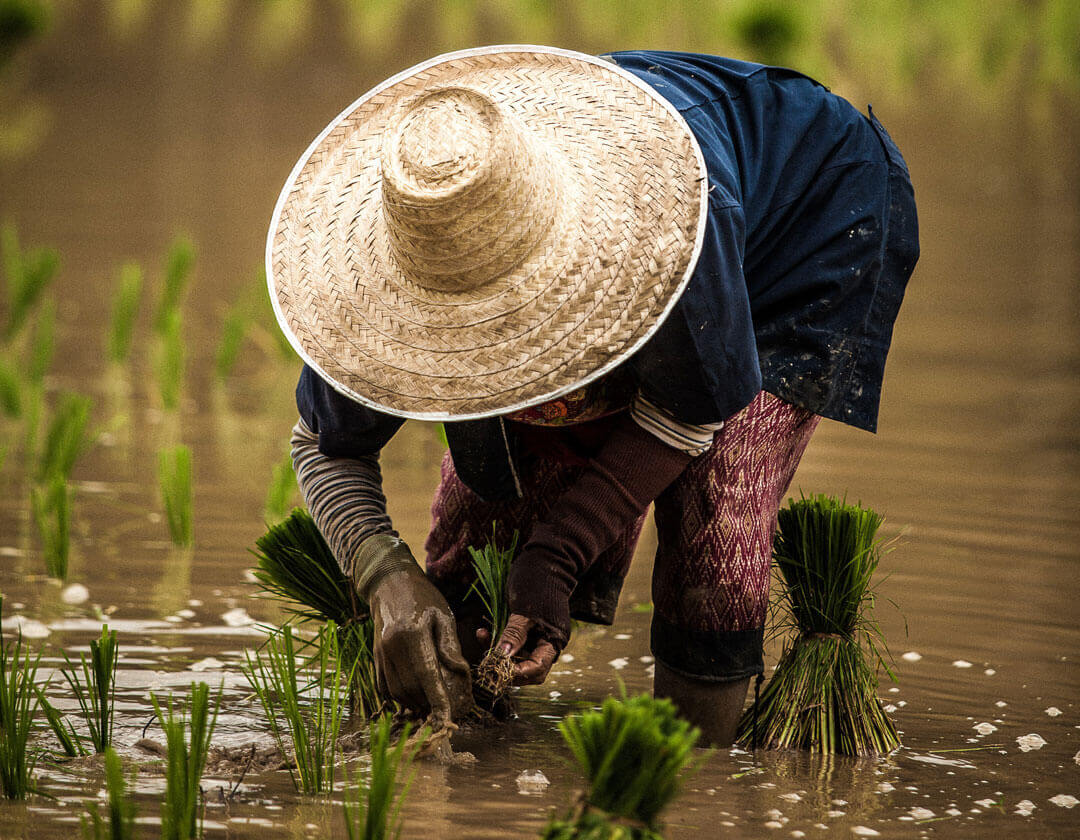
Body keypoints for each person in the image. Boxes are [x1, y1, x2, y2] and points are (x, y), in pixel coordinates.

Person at [267, 46, 918, 745]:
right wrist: (384, 577)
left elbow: (693, 406)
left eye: (505, 320)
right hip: (603, 208)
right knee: (486, 513)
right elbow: (323, 444)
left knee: (716, 518)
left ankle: (691, 776)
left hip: (806, 216)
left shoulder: (668, 235)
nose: (485, 345)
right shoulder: (391, 268)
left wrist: (561, 554)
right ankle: (468, 736)